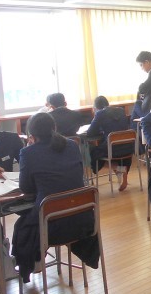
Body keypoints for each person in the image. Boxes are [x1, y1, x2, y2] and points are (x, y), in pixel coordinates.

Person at [11, 113, 97, 283]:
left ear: (31, 136)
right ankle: (37, 259)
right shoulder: (72, 145)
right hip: (83, 221)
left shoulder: (28, 152)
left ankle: (34, 260)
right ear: (55, 128)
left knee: (22, 225)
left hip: (51, 227)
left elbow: (26, 188)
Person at [87, 96, 133, 192]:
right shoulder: (121, 110)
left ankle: (118, 168)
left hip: (112, 149)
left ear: (96, 108)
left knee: (93, 151)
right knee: (114, 147)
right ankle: (122, 175)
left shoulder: (100, 113)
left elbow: (90, 132)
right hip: (128, 147)